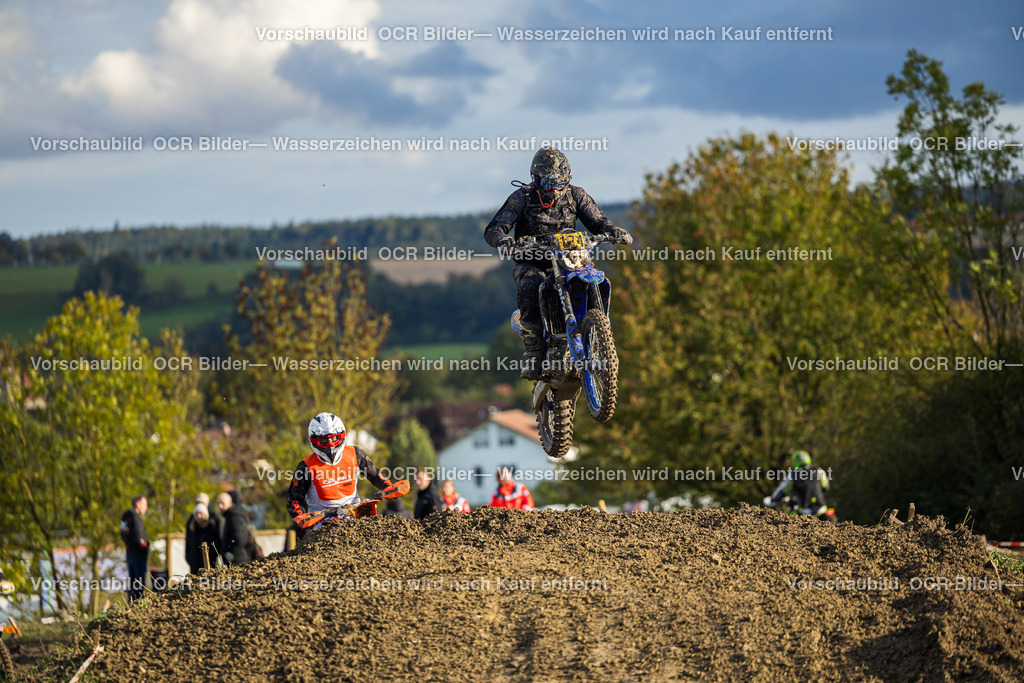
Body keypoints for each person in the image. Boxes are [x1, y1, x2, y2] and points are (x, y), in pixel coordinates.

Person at [484, 147, 633, 380]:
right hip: (533, 260)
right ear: (535, 180)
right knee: (530, 286)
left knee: (595, 278)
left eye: (558, 183)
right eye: (546, 184)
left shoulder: (576, 195)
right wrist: (505, 240)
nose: (553, 189)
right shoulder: (521, 197)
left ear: (568, 177)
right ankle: (533, 352)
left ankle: (597, 332)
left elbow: (599, 222)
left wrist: (614, 231)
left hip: (570, 258)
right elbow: (494, 228)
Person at [286, 412, 395, 534]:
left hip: (355, 517)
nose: (330, 445)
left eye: (334, 438)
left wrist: (388, 488)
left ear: (342, 436)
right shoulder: (306, 466)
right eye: (324, 440)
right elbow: (293, 499)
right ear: (314, 440)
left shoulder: (356, 454)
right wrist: (302, 518)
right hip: (322, 525)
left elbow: (374, 475)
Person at [766, 450, 831, 515]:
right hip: (822, 509)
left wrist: (773, 499)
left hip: (805, 511)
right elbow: (826, 487)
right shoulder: (818, 470)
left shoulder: (793, 474)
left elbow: (781, 491)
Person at [119, 495, 149, 601]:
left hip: (129, 554)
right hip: (139, 556)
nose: (146, 507)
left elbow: (123, 535)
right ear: (137, 504)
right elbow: (140, 538)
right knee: (139, 585)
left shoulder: (125, 517)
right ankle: (137, 606)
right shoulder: (135, 518)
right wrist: (146, 549)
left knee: (133, 584)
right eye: (144, 504)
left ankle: (131, 605)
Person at [184, 502, 221, 574]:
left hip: (209, 564)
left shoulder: (211, 528)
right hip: (194, 565)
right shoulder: (192, 529)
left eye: (201, 514)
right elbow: (188, 545)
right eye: (197, 514)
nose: (199, 516)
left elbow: (216, 545)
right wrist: (189, 559)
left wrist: (212, 559)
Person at [217, 492, 250, 566]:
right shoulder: (229, 516)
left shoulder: (235, 517)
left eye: (222, 503)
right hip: (234, 558)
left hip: (238, 559)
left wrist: (228, 550)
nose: (220, 506)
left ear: (230, 503)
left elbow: (239, 538)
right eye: (218, 503)